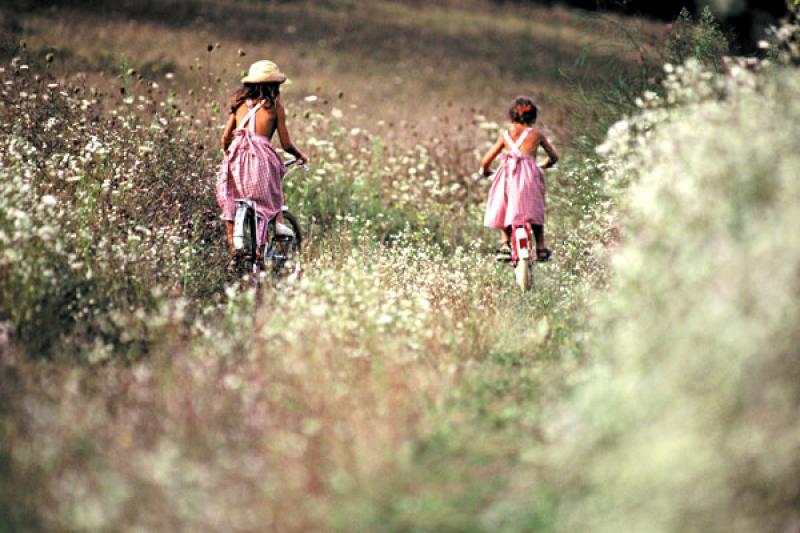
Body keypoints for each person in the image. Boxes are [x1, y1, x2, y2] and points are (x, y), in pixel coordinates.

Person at [215, 60, 308, 259]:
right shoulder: (275, 108)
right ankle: (270, 237)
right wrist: (300, 155)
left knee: (232, 201)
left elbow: (225, 138)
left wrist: (229, 156)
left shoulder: (239, 105)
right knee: (269, 198)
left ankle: (234, 247)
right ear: (275, 85)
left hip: (236, 159)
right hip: (260, 161)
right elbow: (285, 144)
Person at [480, 96, 559, 262]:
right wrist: (544, 165)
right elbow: (554, 156)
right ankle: (541, 248)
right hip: (529, 177)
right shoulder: (536, 135)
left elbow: (485, 161)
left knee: (503, 205)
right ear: (534, 117)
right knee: (535, 210)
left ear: (511, 116)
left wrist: (487, 171)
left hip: (508, 175)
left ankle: (505, 245)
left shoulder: (505, 135)